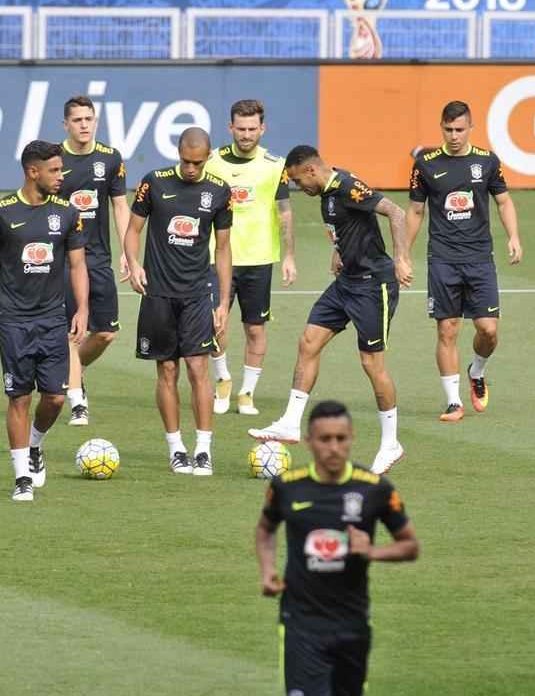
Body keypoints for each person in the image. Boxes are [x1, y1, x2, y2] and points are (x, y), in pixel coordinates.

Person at [249, 146, 412, 475]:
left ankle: (391, 443)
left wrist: (402, 258)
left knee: (371, 363)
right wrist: (339, 252)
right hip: (346, 282)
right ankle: (292, 423)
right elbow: (348, 228)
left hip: (372, 286)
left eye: (298, 181)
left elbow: (396, 212)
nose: (298, 188)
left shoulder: (348, 185)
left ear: (310, 171)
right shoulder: (326, 194)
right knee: (309, 341)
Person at [255, 399, 419, 696]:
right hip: (301, 622)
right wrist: (267, 570)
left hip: (352, 622)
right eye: (324, 439)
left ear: (352, 439)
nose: (333, 447)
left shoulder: (374, 489)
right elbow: (266, 528)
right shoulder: (287, 486)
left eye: (341, 439)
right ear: (309, 442)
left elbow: (410, 545)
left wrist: (372, 552)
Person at [0, 140, 88, 502]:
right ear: (32, 171)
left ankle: (35, 443)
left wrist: (82, 308)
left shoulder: (68, 213)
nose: (61, 176)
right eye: (54, 170)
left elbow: (77, 264)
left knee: (54, 398)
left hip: (53, 320)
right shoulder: (1, 212)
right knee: (19, 397)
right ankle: (21, 476)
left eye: (61, 169)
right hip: (14, 321)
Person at [122, 127, 233, 476]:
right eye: (185, 160)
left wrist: (223, 301)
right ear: (178, 152)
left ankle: (203, 449)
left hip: (198, 293)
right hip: (157, 294)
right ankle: (176, 449)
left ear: (208, 155)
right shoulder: (153, 182)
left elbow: (225, 248)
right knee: (167, 370)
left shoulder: (218, 191)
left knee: (199, 370)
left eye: (197, 162)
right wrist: (134, 263)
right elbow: (133, 230)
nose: (190, 168)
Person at [407, 100, 522, 423]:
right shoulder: (425, 164)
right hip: (442, 258)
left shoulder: (486, 162)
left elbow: (503, 201)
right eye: (448, 129)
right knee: (447, 329)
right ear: (440, 127)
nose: (454, 135)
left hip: (479, 258)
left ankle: (477, 369)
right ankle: (453, 402)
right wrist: (402, 254)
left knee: (488, 330)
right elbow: (415, 211)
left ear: (471, 127)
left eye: (460, 129)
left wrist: (513, 236)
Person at [204, 99, 297, 416]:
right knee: (214, 323)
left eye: (252, 129)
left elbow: (285, 212)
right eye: (240, 128)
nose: (246, 135)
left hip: (259, 258)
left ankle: (246, 393)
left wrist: (289, 256)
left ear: (262, 128)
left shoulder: (275, 165)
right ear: (230, 128)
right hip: (218, 259)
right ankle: (223, 380)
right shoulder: (211, 161)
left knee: (255, 329)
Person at [56, 95, 129, 427]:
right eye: (77, 120)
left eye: (88, 119)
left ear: (95, 121)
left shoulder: (110, 158)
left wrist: (130, 252)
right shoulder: (54, 160)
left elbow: (120, 207)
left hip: (99, 259)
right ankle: (77, 401)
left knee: (105, 333)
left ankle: (73, 370)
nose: (83, 125)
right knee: (72, 331)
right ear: (66, 124)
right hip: (63, 261)